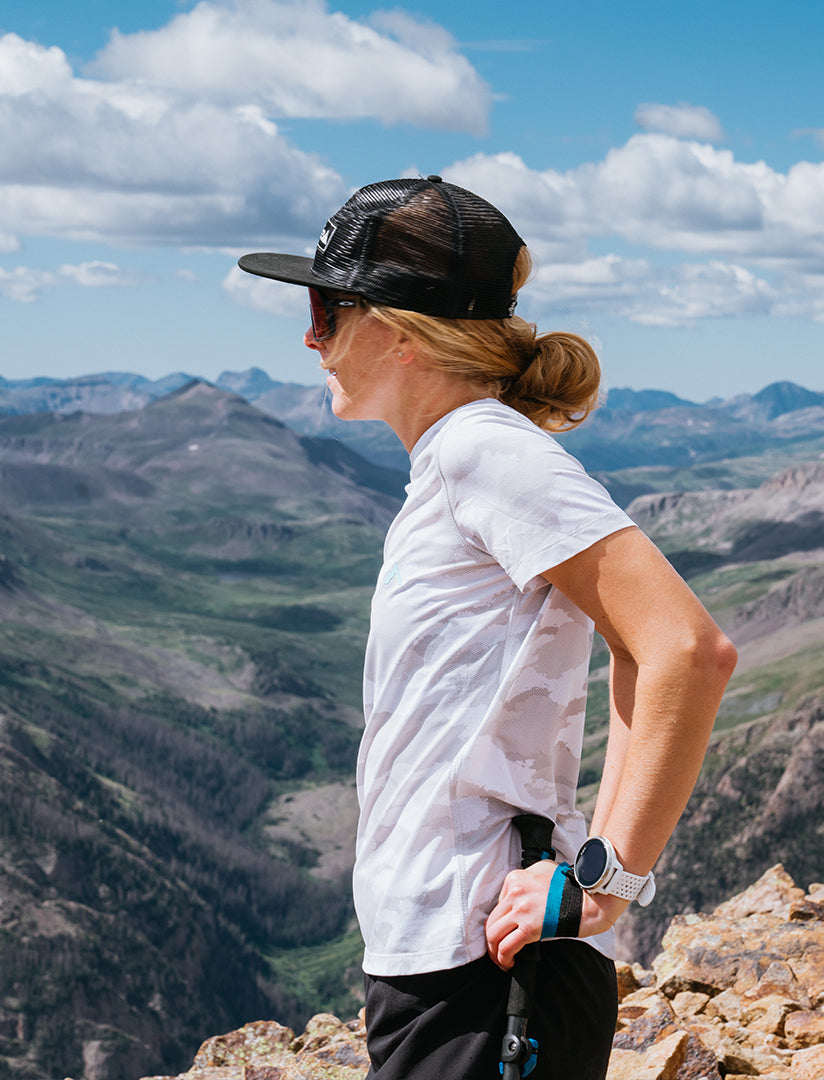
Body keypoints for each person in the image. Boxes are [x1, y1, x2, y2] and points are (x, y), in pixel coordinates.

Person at [238, 176, 737, 1080]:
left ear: (397, 329)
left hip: (489, 968)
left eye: (325, 307)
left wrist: (605, 882)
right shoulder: (456, 462)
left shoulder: (484, 452)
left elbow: (684, 648)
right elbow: (634, 649)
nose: (310, 338)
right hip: (447, 960)